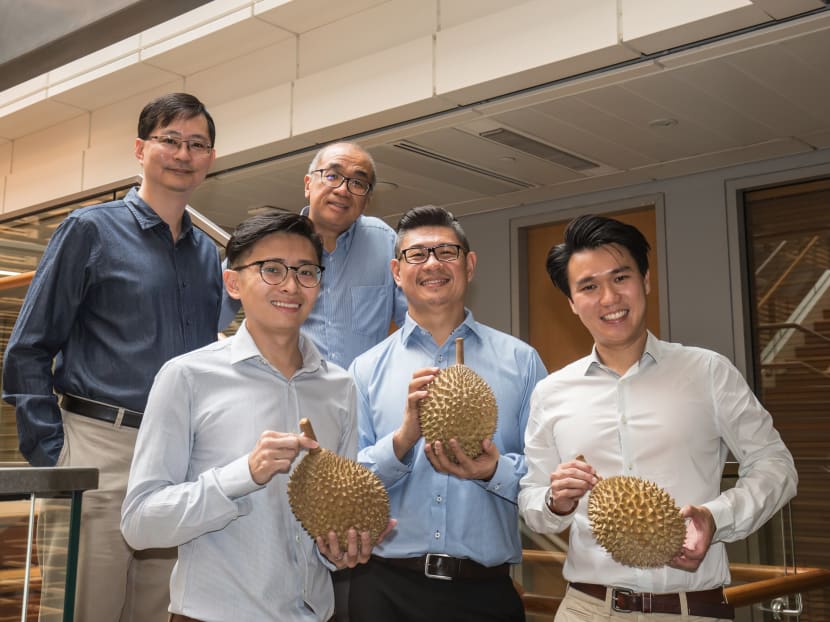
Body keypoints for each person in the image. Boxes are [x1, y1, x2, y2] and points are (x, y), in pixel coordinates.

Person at [1, 92, 223, 622]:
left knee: (157, 609)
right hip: (99, 448)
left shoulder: (209, 256)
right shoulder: (90, 229)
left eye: (197, 144)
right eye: (170, 140)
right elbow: (28, 348)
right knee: (86, 608)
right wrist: (55, 456)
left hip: (177, 458)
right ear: (140, 148)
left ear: (211, 158)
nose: (183, 153)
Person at [518, 214, 798, 621]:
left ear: (645, 281)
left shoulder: (708, 371)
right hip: (587, 608)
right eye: (589, 287)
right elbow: (531, 502)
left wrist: (715, 518)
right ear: (573, 303)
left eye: (620, 278)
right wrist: (554, 501)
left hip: (690, 609)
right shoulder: (551, 392)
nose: (609, 298)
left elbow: (777, 466)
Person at [121, 211, 392, 622]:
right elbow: (140, 525)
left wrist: (342, 548)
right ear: (233, 282)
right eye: (271, 270)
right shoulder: (187, 377)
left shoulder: (340, 386)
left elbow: (333, 521)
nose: (290, 285)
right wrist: (243, 474)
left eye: (306, 272)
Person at [348, 205, 547, 622]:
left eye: (447, 252)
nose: (433, 264)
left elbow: (547, 476)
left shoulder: (521, 361)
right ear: (396, 271)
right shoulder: (365, 369)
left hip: (484, 593)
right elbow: (347, 485)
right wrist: (401, 442)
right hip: (384, 589)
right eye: (417, 254)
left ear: (469, 265)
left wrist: (493, 470)